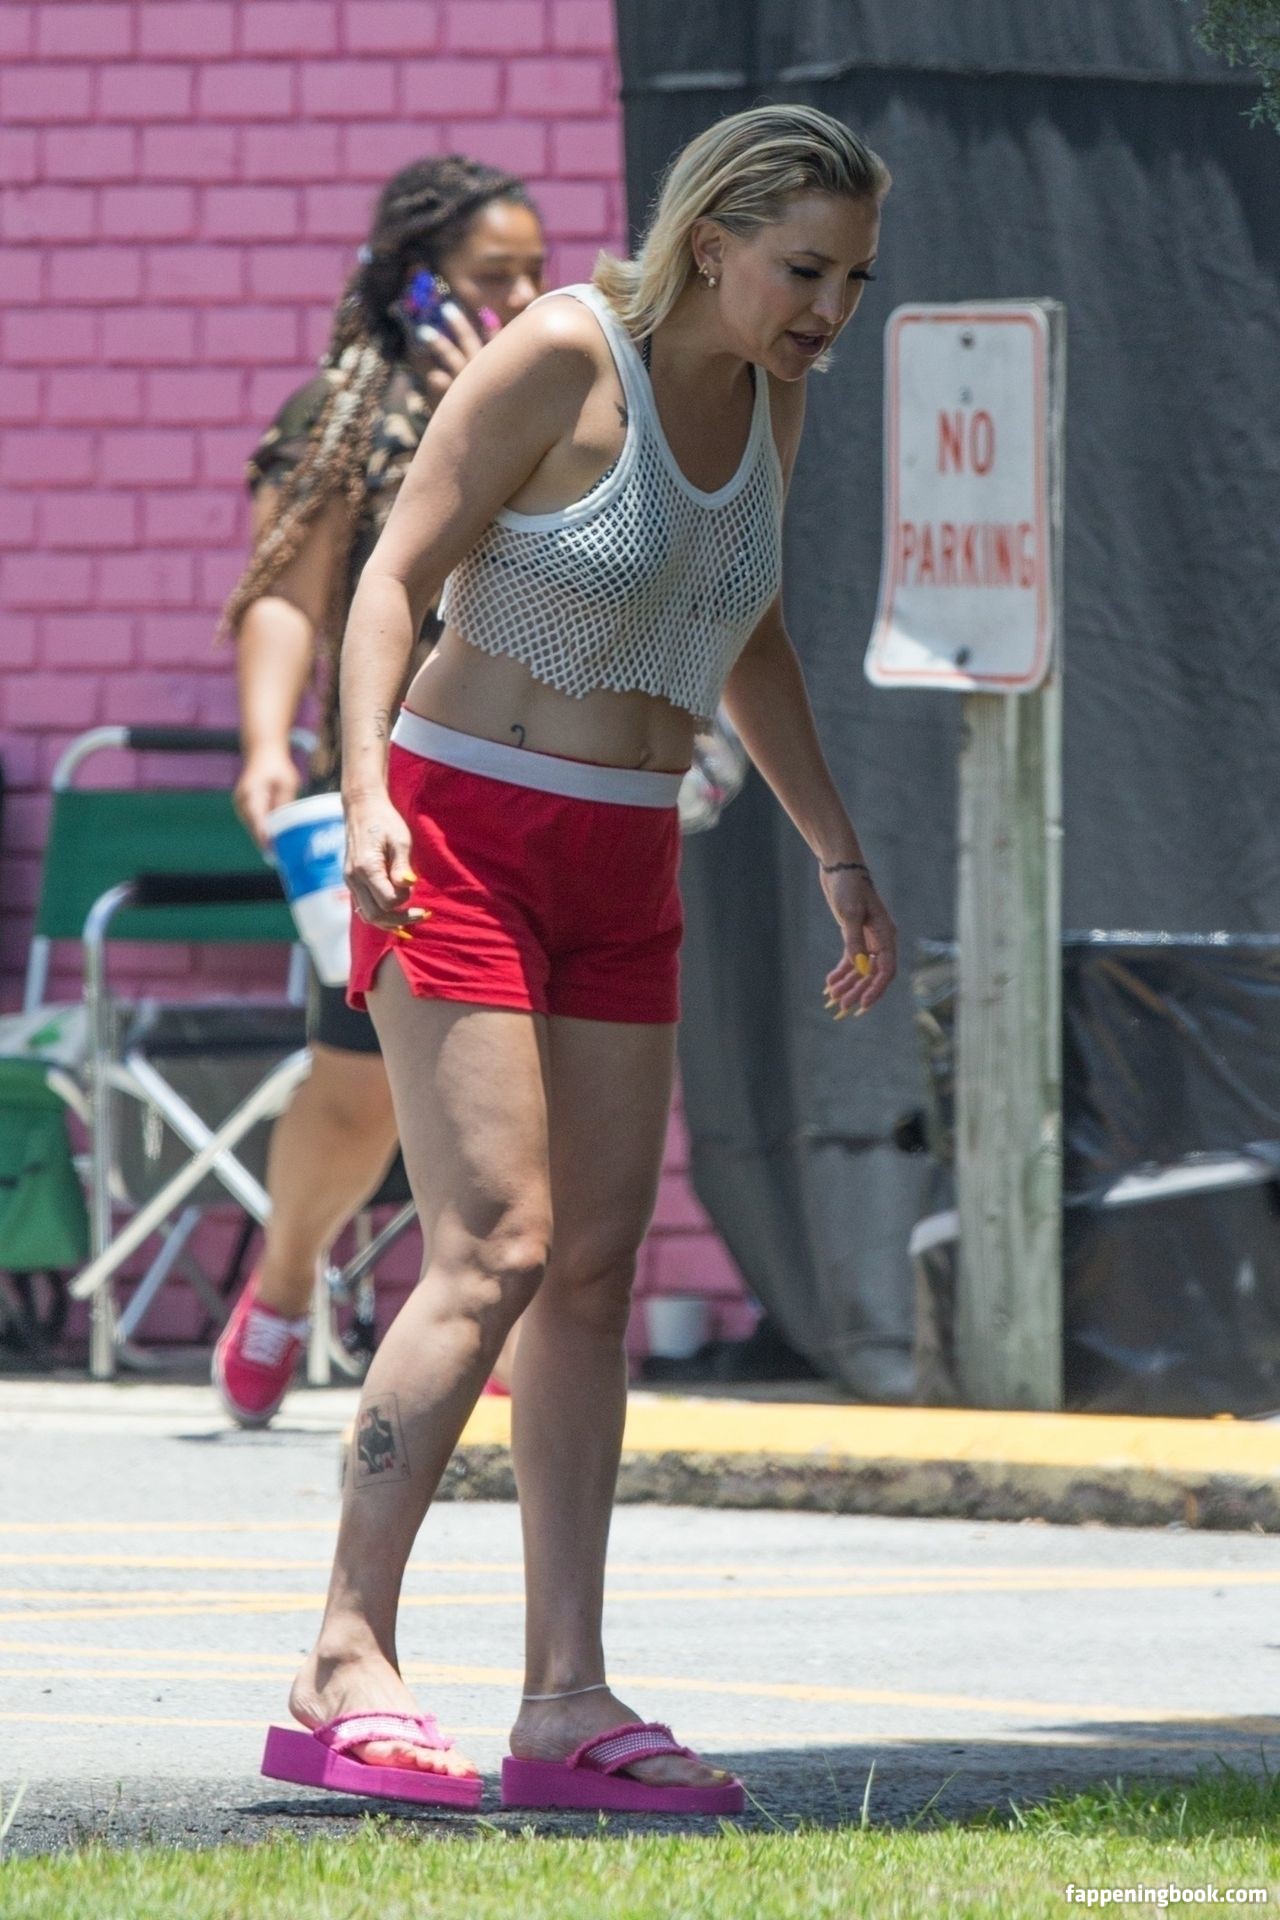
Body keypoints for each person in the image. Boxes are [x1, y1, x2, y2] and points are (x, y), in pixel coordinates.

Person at [263, 105, 897, 1813]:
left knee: (596, 1275)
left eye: (853, 279)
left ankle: (565, 1699)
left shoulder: (772, 397)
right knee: (497, 1246)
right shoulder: (562, 352)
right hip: (458, 830)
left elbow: (747, 629)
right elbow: (391, 579)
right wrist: (364, 791)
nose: (830, 309)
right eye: (805, 271)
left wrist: (838, 849)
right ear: (713, 240)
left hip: (626, 850)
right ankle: (341, 1658)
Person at [212, 157, 545, 1427]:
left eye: (534, 272)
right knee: (359, 1093)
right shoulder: (346, 415)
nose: (522, 298)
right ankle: (286, 1277)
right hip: (391, 793)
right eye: (491, 277)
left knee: (543, 1078)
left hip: (542, 774)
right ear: (416, 286)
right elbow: (289, 595)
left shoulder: (565, 398)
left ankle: (490, 1320)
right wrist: (265, 743)